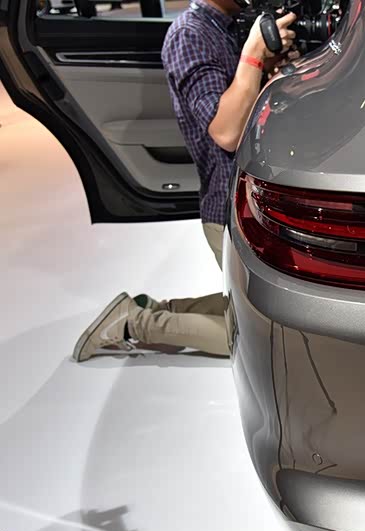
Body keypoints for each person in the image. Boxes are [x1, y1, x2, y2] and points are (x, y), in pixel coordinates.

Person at [72, 0, 297, 362]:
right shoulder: (189, 35)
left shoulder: (226, 26)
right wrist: (254, 55)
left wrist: (269, 71)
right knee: (264, 337)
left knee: (256, 306)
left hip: (250, 199)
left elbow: (246, 107)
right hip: (228, 208)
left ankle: (158, 310)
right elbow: (226, 131)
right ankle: (135, 324)